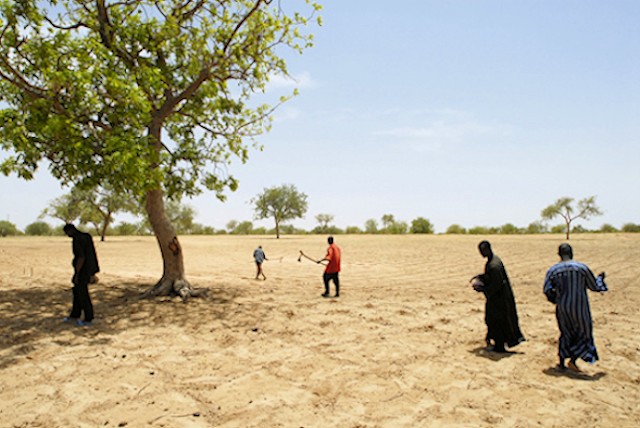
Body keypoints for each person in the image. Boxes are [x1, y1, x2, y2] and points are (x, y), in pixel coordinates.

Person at [543, 243, 607, 372]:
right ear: (572, 253)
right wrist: (600, 279)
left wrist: (556, 300)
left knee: (565, 333)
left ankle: (561, 363)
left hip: (563, 308)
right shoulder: (581, 268)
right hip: (580, 308)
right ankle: (573, 360)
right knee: (583, 333)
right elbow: (594, 286)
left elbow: (547, 289)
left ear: (559, 255)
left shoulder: (553, 270)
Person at [473, 240, 525, 352]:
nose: (481, 253)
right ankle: (494, 341)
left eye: (482, 251)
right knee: (493, 319)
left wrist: (482, 289)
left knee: (497, 321)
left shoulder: (494, 265)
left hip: (499, 299)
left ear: (487, 249)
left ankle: (499, 346)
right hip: (497, 298)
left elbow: (496, 284)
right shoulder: (493, 261)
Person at [63, 223, 100, 326]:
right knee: (77, 292)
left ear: (70, 231)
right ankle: (75, 314)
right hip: (89, 269)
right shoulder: (86, 236)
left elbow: (81, 257)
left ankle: (88, 318)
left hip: (83, 270)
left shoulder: (77, 240)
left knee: (83, 294)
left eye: (67, 233)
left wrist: (77, 274)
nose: (67, 235)